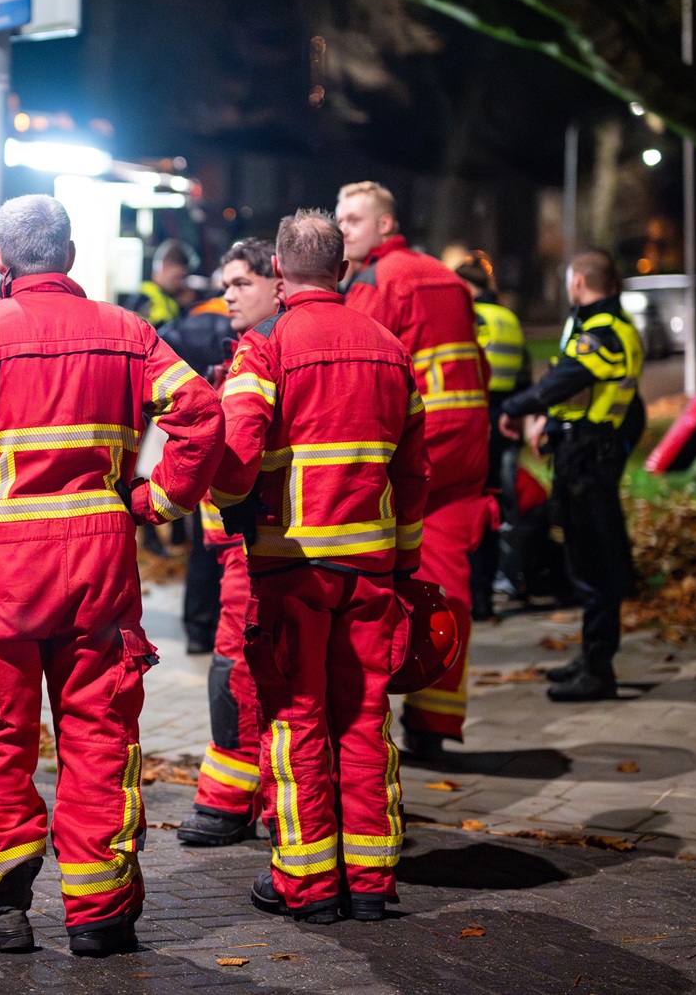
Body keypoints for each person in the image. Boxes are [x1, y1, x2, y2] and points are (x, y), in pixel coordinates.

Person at [0, 195, 223, 957]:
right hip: (99, 564)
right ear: (70, 256)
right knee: (100, 735)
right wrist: (156, 501)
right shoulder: (128, 331)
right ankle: (100, 913)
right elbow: (200, 414)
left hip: (1, 568)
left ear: (0, 260)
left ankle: (0, 909)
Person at [210, 209, 428, 924]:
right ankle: (370, 881)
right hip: (372, 570)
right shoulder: (391, 349)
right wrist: (404, 560)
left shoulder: (264, 347)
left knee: (296, 720)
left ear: (278, 269)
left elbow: (235, 459)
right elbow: (414, 471)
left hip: (292, 568)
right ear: (342, 268)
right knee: (365, 718)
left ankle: (306, 884)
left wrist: (231, 510)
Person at [336, 181, 489, 762]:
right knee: (447, 583)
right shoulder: (445, 276)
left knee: (375, 582)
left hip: (416, 448)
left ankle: (366, 715)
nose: (343, 230)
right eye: (339, 220)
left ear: (385, 224)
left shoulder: (379, 281)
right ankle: (436, 718)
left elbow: (360, 365)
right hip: (466, 446)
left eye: (353, 219)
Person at [500, 249, 645, 702]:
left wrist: (516, 407)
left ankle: (598, 670)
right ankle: (591, 658)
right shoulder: (604, 326)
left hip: (589, 464)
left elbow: (563, 380)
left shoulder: (602, 333)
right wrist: (553, 424)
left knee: (597, 567)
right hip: (585, 458)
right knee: (586, 563)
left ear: (578, 281)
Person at [176, 237, 282, 847]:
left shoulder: (271, 351)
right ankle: (245, 799)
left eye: (242, 283)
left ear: (277, 283)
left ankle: (236, 803)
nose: (229, 296)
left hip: (260, 547)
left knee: (238, 673)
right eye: (225, 285)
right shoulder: (242, 351)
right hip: (237, 549)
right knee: (234, 675)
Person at [159, 275, 236, 651]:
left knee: (201, 543)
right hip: (231, 439)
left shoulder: (190, 319)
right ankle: (217, 627)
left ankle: (196, 630)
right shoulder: (247, 327)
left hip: (189, 431)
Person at [454, 253, 528, 620]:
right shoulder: (509, 318)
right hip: (506, 417)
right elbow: (525, 375)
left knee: (472, 507)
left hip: (477, 418)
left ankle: (475, 595)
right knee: (497, 506)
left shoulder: (472, 318)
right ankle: (490, 592)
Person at [124, 238, 194, 328]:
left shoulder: (172, 299)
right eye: (177, 277)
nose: (180, 283)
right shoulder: (143, 298)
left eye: (182, 278)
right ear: (163, 266)